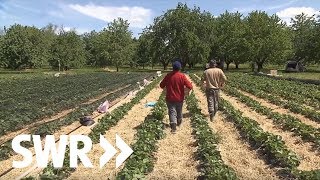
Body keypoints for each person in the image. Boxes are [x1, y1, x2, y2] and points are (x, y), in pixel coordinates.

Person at [160, 60, 193, 134]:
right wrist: (185, 90)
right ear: (180, 68)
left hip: (170, 97)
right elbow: (190, 86)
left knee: (172, 111)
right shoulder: (182, 76)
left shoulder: (168, 75)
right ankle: (179, 121)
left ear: (173, 68)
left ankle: (173, 127)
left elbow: (161, 85)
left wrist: (167, 87)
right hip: (179, 98)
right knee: (179, 110)